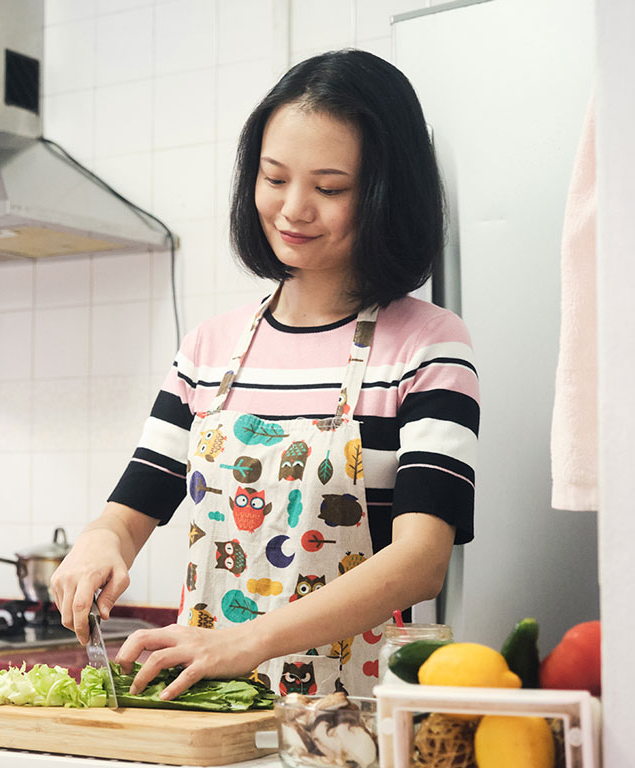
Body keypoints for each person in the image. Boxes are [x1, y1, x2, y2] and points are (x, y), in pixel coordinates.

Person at [49, 48, 478, 700]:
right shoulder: (208, 350)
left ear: (386, 193)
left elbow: (422, 561)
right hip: (209, 721)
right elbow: (126, 515)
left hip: (352, 728)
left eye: (329, 188)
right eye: (274, 179)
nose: (293, 209)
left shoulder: (426, 346)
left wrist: (245, 641)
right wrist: (97, 546)